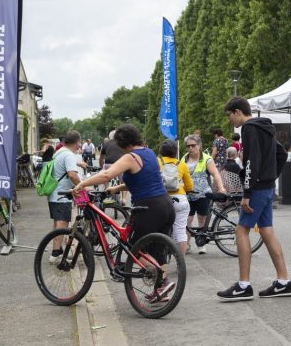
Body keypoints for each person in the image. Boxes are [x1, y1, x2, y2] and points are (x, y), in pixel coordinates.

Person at [72, 125, 176, 298]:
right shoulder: (149, 153)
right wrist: (116, 189)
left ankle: (162, 281)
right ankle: (160, 291)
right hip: (165, 205)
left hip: (149, 207)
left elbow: (106, 175)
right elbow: (143, 181)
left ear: (122, 142)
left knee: (133, 245)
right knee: (157, 249)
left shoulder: (130, 157)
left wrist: (82, 183)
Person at [217, 96, 291, 300]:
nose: (230, 121)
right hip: (267, 187)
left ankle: (243, 285)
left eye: (229, 116)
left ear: (238, 112)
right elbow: (282, 154)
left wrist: (247, 192)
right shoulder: (266, 128)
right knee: (267, 232)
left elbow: (251, 162)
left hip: (257, 189)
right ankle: (284, 281)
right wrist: (271, 175)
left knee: (241, 230)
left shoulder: (249, 129)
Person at [182, 134, 224, 254]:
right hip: (188, 194)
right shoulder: (184, 158)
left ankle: (201, 243)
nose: (190, 148)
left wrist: (221, 188)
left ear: (199, 146)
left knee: (202, 219)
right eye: (188, 146)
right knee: (187, 220)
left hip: (203, 194)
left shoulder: (207, 159)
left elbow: (215, 174)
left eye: (193, 145)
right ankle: (186, 245)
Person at [46, 131, 83, 257]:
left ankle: (58, 249)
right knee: (62, 224)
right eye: (80, 142)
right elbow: (72, 174)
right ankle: (55, 253)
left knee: (58, 223)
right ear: (77, 142)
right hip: (62, 194)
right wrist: (83, 186)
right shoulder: (69, 155)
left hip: (54, 194)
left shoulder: (60, 152)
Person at [158, 139, 193, 256]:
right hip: (180, 199)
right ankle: (181, 262)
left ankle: (160, 261)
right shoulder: (182, 164)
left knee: (160, 231)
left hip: (162, 200)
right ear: (175, 151)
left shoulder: (157, 162)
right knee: (181, 231)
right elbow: (189, 186)